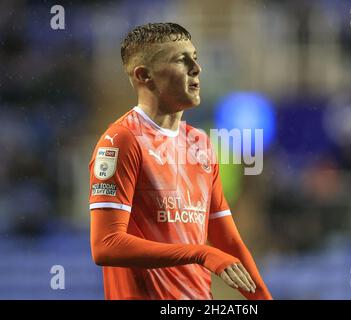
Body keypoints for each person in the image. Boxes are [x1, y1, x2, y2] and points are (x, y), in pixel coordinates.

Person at [89, 22, 272, 300]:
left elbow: (228, 242)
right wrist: (200, 252)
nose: (196, 68)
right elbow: (106, 245)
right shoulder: (121, 141)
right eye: (180, 60)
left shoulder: (201, 144)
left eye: (195, 58)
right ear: (144, 76)